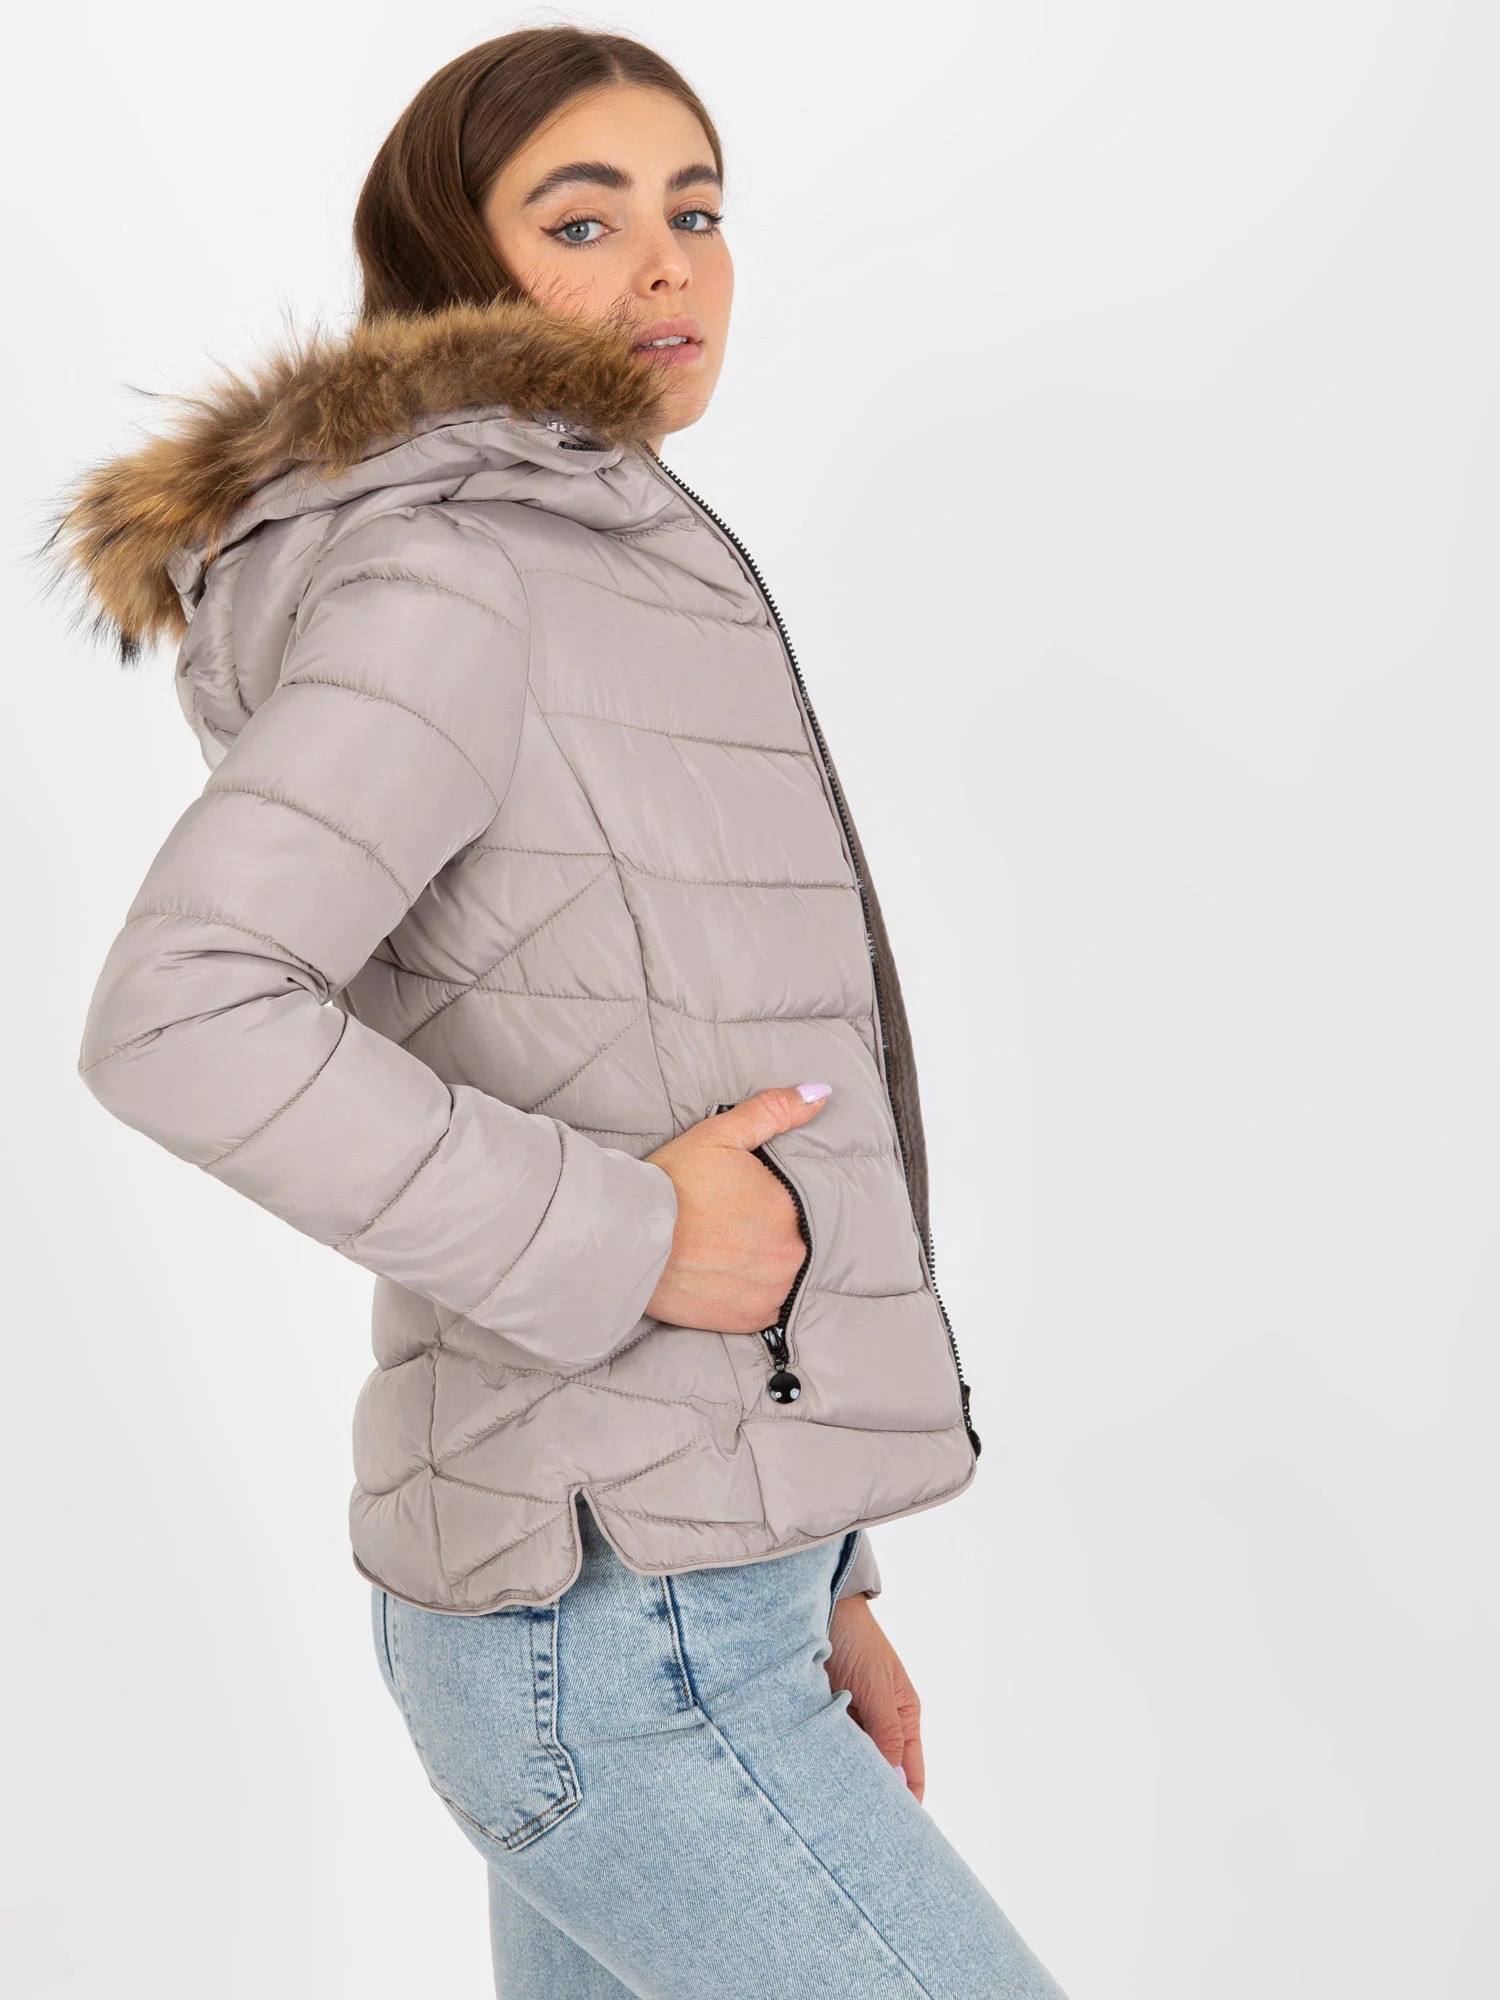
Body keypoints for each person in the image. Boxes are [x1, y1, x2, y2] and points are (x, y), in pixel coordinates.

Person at [42, 25, 1068, 2000]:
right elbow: (182, 1011)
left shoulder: (599, 551)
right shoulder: (457, 576)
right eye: (584, 220)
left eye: (699, 210)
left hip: (698, 1596)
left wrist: (824, 1572)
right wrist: (633, 1231)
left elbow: (664, 1042)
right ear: (456, 266)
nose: (669, 263)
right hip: (616, 1638)